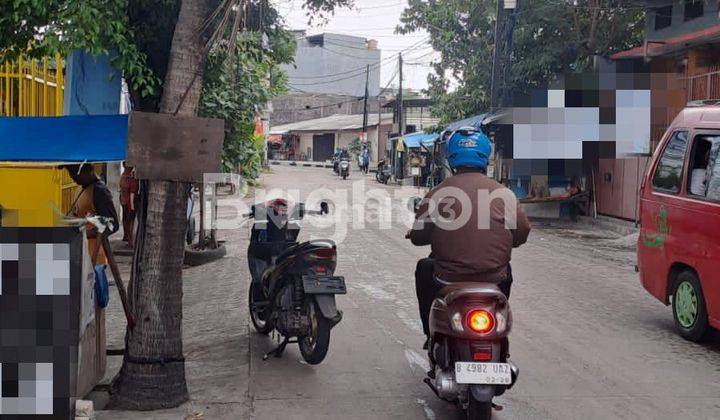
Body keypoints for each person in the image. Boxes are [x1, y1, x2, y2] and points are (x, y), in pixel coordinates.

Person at [407, 128, 531, 344]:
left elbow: (419, 237)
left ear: (451, 156)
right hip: (494, 279)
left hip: (446, 278)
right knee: (507, 271)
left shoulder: (438, 193)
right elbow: (521, 234)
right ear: (485, 155)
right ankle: (497, 321)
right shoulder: (504, 193)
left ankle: (430, 333)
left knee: (424, 267)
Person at [65, 163, 120, 265]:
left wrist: (87, 233)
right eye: (70, 173)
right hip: (80, 254)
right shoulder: (81, 188)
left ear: (88, 170)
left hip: (94, 257)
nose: (71, 176)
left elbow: (112, 224)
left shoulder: (99, 191)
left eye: (74, 173)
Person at [119, 164, 138, 246]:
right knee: (130, 220)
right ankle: (130, 240)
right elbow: (132, 192)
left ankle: (127, 237)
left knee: (127, 219)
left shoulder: (124, 176)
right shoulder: (129, 177)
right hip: (128, 201)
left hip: (125, 200)